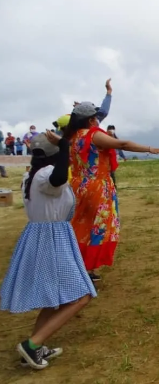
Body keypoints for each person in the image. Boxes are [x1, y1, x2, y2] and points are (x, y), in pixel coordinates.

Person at [0, 132, 97, 370]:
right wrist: (64, 146)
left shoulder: (32, 176)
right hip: (51, 238)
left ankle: (36, 345)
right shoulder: (46, 176)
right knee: (80, 296)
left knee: (53, 297)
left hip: (44, 236)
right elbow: (59, 178)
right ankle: (32, 344)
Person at [64, 102, 159, 282]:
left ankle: (75, 265)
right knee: (97, 227)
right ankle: (87, 270)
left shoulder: (71, 137)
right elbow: (123, 144)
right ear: (90, 120)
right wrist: (149, 149)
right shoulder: (93, 135)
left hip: (78, 186)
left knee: (79, 225)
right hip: (97, 187)